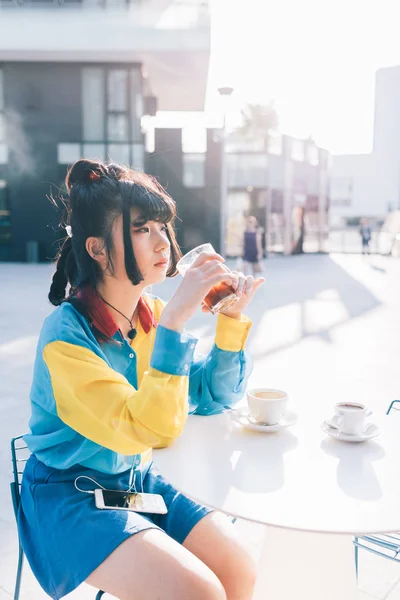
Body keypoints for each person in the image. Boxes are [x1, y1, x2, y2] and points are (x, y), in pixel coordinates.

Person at [17, 159, 264, 600]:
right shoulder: (66, 338)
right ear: (96, 249)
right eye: (140, 229)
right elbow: (145, 429)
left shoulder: (147, 313)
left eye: (161, 225)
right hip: (71, 497)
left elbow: (210, 395)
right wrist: (174, 327)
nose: (162, 240)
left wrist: (230, 321)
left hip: (134, 481)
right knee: (199, 592)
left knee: (239, 566)